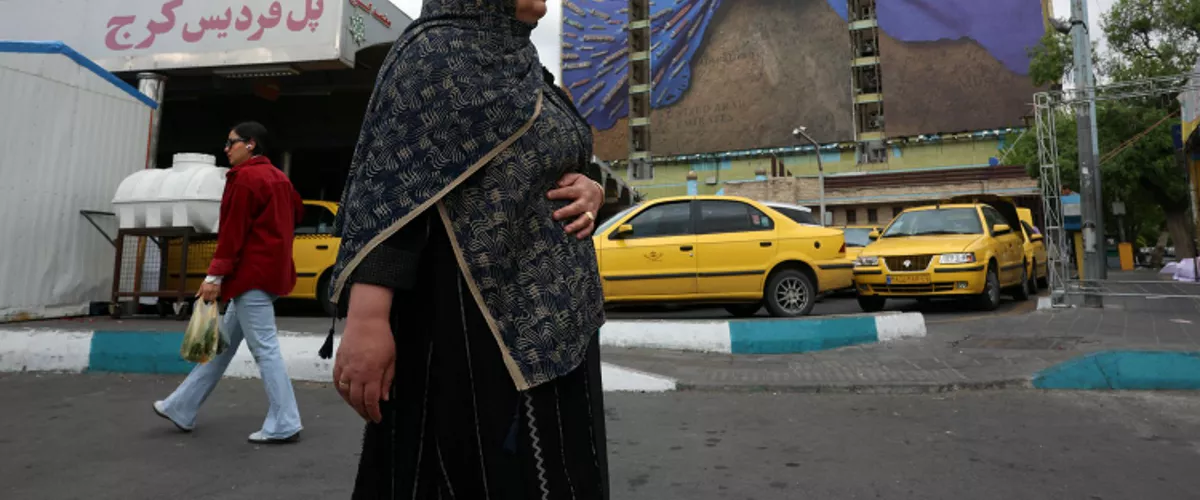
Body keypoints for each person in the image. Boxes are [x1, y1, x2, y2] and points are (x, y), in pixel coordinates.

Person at [326, 0, 610, 497]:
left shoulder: (525, 64)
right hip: (475, 324)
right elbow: (390, 189)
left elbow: (564, 157)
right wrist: (366, 320)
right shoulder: (434, 52)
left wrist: (593, 189)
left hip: (558, 322)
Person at [153, 122, 306, 444]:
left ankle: (286, 421)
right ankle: (182, 406)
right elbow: (297, 213)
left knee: (265, 350)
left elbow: (232, 232)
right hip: (270, 275)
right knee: (222, 347)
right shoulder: (280, 178)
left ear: (250, 144)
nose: (226, 148)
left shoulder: (244, 178)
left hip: (250, 277)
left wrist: (214, 276)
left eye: (231, 142)